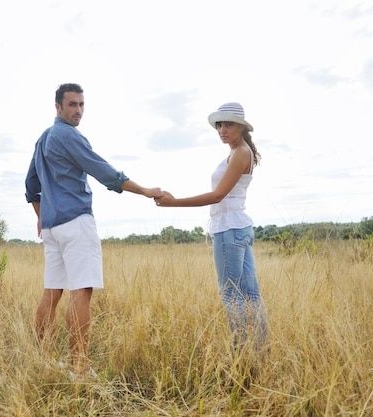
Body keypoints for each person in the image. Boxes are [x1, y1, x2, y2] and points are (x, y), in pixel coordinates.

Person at [25, 83, 162, 378]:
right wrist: (144, 190)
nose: (78, 111)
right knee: (81, 292)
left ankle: (43, 360)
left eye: (81, 105)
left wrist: (42, 215)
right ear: (58, 107)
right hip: (75, 222)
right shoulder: (67, 135)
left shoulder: (43, 139)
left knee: (52, 293)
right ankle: (80, 369)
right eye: (72, 105)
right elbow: (104, 172)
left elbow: (30, 186)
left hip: (52, 228)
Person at [154, 102, 269, 356]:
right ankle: (261, 352)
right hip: (238, 228)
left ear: (241, 127)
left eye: (228, 124)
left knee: (231, 295)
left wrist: (174, 203)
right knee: (250, 295)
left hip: (229, 229)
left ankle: (240, 354)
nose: (222, 129)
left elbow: (218, 196)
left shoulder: (240, 153)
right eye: (219, 124)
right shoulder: (239, 152)